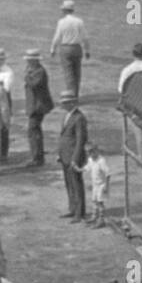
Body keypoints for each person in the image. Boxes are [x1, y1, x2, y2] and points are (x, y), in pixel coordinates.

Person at [56, 91, 89, 222]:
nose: (62, 105)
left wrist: (75, 158)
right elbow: (63, 136)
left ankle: (79, 212)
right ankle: (72, 208)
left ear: (72, 103)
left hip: (73, 156)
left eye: (65, 103)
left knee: (76, 184)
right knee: (69, 183)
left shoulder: (79, 118)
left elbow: (81, 140)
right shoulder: (66, 116)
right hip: (65, 155)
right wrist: (59, 154)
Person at [50, 0, 91, 99]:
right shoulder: (79, 21)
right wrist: (87, 50)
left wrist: (53, 49)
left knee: (68, 73)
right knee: (77, 73)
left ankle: (70, 95)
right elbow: (85, 37)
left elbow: (57, 37)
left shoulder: (61, 22)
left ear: (64, 10)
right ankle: (75, 94)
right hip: (77, 48)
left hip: (65, 48)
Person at [22, 48, 54, 166]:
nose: (28, 62)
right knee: (35, 130)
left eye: (29, 60)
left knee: (33, 131)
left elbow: (33, 84)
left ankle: (37, 157)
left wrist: (26, 77)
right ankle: (37, 155)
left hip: (38, 106)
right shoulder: (33, 69)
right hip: (34, 105)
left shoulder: (39, 71)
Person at [85, 143, 110, 228]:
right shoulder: (91, 160)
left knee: (100, 202)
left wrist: (106, 185)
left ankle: (101, 220)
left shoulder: (101, 161)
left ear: (96, 151)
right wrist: (78, 168)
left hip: (101, 185)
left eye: (91, 152)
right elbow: (87, 167)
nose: (89, 154)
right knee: (94, 200)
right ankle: (94, 217)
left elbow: (108, 174)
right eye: (88, 152)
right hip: (95, 184)